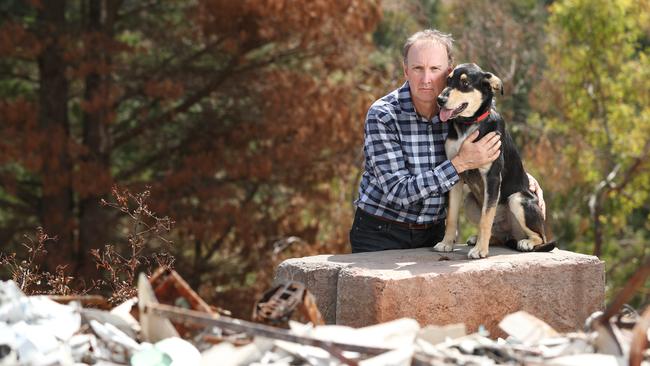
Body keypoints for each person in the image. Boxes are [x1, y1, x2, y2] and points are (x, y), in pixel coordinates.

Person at [349, 29, 545, 253]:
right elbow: (398, 192)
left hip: (434, 233)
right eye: (417, 68)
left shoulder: (467, 109)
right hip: (380, 231)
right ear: (405, 71)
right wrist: (460, 163)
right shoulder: (383, 115)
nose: (426, 79)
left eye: (435, 69)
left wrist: (526, 181)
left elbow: (494, 158)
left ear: (449, 73)